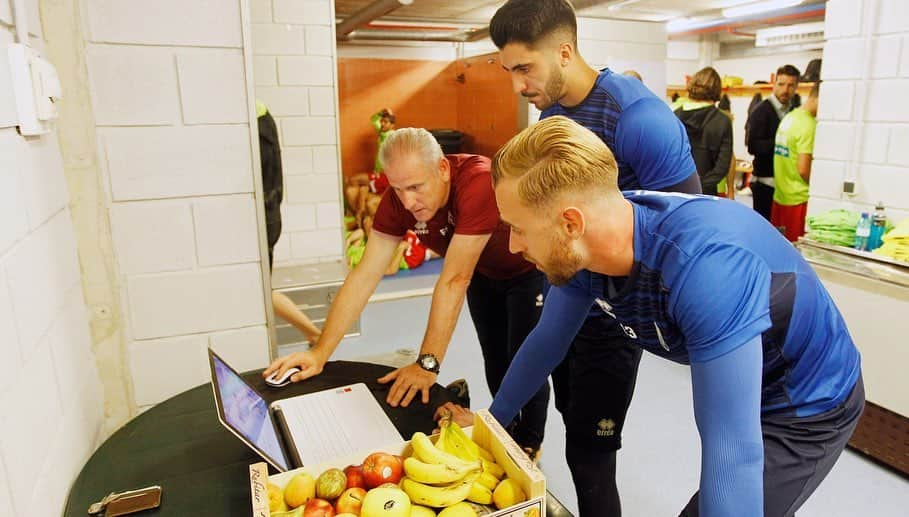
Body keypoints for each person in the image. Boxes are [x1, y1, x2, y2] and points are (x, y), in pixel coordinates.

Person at [487, 115, 863, 517]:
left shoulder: (703, 268)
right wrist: (489, 428)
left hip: (806, 400)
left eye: (518, 228)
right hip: (746, 378)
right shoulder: (586, 247)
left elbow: (733, 451)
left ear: (569, 224)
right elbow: (547, 343)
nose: (512, 246)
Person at [489, 0, 699, 513]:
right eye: (508, 70)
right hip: (569, 289)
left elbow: (690, 229)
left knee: (590, 457)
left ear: (564, 52)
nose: (517, 84)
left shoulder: (639, 119)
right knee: (559, 414)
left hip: (618, 314)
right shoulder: (553, 118)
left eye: (524, 68)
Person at [264, 128, 550, 456]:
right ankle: (506, 430)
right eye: (398, 189)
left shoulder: (477, 182)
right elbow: (364, 275)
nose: (407, 201)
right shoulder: (397, 202)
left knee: (525, 360)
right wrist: (320, 351)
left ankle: (529, 442)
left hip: (527, 272)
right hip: (485, 274)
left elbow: (455, 279)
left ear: (442, 169)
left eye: (416, 187)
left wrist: (427, 364)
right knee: (497, 359)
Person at [256, 100, 321, 345]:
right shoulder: (261, 118)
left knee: (262, 293)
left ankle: (315, 335)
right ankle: (314, 335)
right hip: (268, 215)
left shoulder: (257, 122)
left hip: (265, 218)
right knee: (263, 293)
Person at [746, 65, 800, 221]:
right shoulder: (761, 111)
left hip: (786, 186)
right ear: (774, 84)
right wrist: (781, 143)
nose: (785, 90)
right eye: (781, 84)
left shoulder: (794, 112)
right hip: (765, 184)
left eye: (791, 85)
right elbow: (752, 146)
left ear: (796, 86)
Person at [674, 67, 733, 196]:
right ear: (717, 90)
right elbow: (722, 167)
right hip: (706, 193)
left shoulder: (674, 116)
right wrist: (700, 185)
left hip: (675, 191)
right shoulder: (722, 121)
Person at [772, 82, 819, 242]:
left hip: (780, 197)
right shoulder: (809, 125)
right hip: (798, 200)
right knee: (796, 256)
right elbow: (803, 169)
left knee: (779, 250)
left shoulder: (789, 118)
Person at [345, 108, 397, 230]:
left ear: (392, 125)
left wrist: (391, 114)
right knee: (354, 185)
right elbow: (374, 120)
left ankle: (358, 214)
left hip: (384, 174)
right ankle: (356, 212)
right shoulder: (382, 133)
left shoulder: (392, 136)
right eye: (382, 121)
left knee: (355, 180)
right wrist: (382, 112)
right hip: (377, 172)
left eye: (386, 122)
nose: (382, 124)